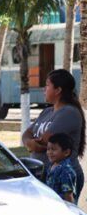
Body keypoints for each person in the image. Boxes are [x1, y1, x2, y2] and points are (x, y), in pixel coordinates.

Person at [23, 68, 86, 199]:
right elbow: (26, 134)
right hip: (45, 175)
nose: (43, 89)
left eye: (47, 85)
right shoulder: (47, 112)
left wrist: (32, 143)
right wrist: (31, 143)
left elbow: (45, 140)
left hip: (62, 177)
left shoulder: (69, 112)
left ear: (58, 90)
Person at [45, 133, 78, 203]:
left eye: (53, 149)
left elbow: (68, 196)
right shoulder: (52, 165)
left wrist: (70, 211)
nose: (49, 152)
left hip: (61, 207)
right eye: (48, 149)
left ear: (66, 152)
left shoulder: (66, 171)